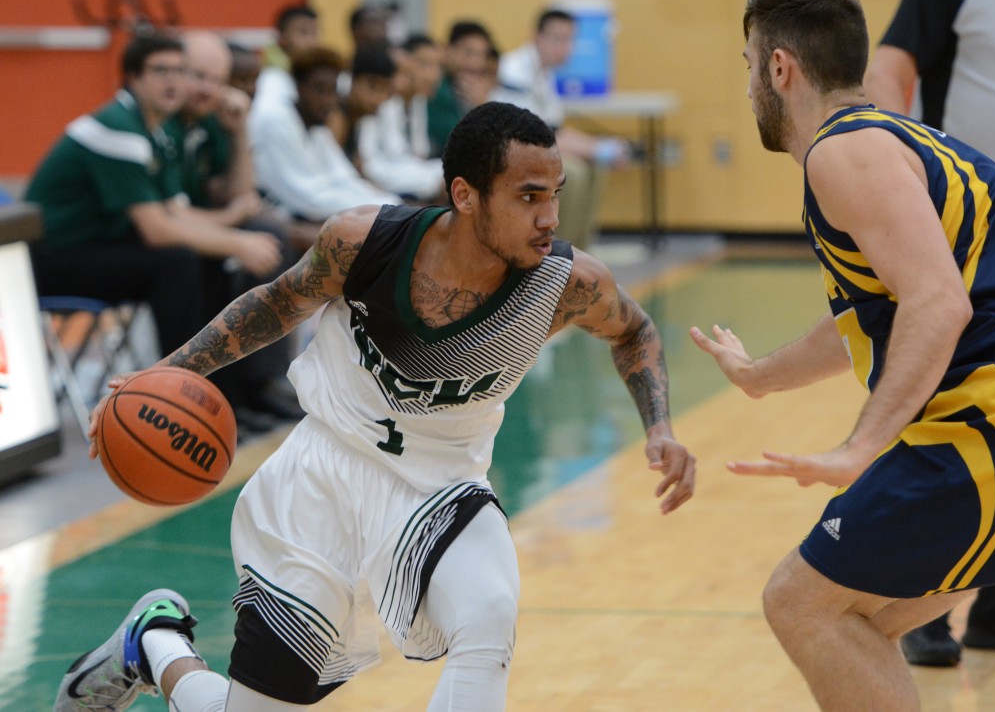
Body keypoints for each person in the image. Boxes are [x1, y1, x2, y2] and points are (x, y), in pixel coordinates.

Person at [55, 101, 696, 711]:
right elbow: (277, 303)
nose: (550, 217)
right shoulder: (363, 242)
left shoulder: (566, 282)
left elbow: (634, 331)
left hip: (443, 486)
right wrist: (168, 373)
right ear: (466, 195)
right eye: (529, 197)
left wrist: (659, 428)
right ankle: (155, 643)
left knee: (488, 615)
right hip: (319, 479)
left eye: (553, 194)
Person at [690, 0, 995, 710]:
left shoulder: (843, 154)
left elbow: (938, 304)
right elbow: (879, 317)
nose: (749, 86)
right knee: (864, 614)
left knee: (802, 602)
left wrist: (859, 447)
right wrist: (758, 376)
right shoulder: (897, 140)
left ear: (780, 68)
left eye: (749, 64)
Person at [862, 0, 995, 664]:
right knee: (945, 407)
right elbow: (887, 72)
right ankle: (915, 604)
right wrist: (899, 176)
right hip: (967, 224)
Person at [25, 34, 280, 358]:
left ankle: (221, 388)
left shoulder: (155, 131)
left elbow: (175, 213)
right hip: (50, 261)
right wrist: (237, 242)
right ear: (134, 77)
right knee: (177, 262)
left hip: (92, 247)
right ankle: (177, 387)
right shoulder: (118, 128)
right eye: (161, 71)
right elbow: (157, 229)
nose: (173, 81)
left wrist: (232, 236)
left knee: (203, 257)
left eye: (180, 71)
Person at [170, 31, 301, 431]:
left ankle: (261, 381)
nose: (209, 89)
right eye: (199, 76)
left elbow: (239, 194)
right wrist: (232, 231)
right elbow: (169, 219)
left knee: (271, 232)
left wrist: (239, 130)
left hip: (182, 231)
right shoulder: (163, 123)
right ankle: (206, 396)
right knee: (202, 258)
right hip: (119, 246)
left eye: (216, 79)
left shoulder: (211, 123)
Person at [498, 9, 629, 250]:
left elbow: (556, 128)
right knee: (573, 173)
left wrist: (603, 148)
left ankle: (580, 250)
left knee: (595, 167)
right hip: (510, 153)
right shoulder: (514, 70)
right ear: (536, 37)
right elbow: (538, 136)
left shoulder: (545, 73)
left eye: (569, 39)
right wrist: (598, 148)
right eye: (557, 38)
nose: (564, 47)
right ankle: (556, 254)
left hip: (534, 147)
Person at [248, 46, 398, 248]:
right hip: (275, 219)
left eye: (332, 92)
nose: (327, 101)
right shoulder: (275, 120)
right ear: (298, 87)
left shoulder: (317, 125)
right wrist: (383, 212)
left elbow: (344, 178)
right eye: (319, 90)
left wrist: (394, 207)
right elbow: (307, 198)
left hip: (311, 211)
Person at [357, 33, 446, 202]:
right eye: (425, 65)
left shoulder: (417, 100)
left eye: (438, 66)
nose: (433, 75)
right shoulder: (381, 99)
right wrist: (430, 182)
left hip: (404, 171)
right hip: (384, 176)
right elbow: (369, 165)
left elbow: (417, 153)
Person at [426, 20, 495, 157]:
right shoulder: (436, 87)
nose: (476, 63)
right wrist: (482, 108)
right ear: (447, 50)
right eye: (468, 53)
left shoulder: (464, 88)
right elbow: (462, 142)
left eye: (482, 55)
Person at [255, 5, 321, 109]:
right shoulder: (271, 78)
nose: (311, 41)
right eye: (303, 32)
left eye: (315, 33)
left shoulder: (314, 74)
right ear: (282, 37)